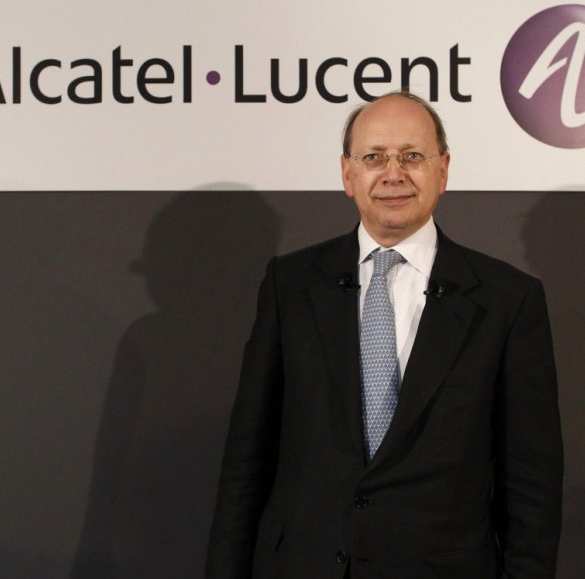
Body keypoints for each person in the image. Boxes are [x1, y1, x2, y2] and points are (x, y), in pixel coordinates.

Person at [206, 91, 563, 579]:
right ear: (347, 174)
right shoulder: (290, 285)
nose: (393, 173)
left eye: (412, 156)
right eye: (374, 157)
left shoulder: (507, 299)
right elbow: (246, 460)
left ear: (444, 170)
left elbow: (532, 485)